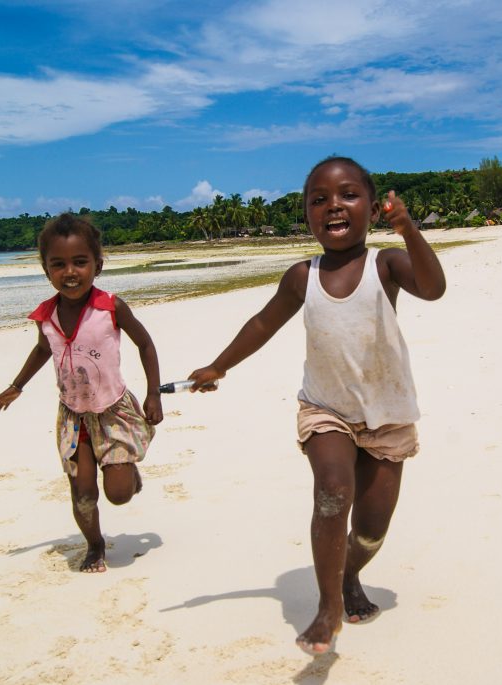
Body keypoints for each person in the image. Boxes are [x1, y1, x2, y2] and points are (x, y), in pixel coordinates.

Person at [188, 156, 446, 655]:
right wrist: (219, 366)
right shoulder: (301, 277)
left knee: (371, 529)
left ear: (373, 208)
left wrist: (409, 229)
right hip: (325, 410)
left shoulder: (386, 264)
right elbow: (263, 324)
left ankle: (349, 576)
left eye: (348, 194)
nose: (333, 205)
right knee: (332, 491)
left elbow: (433, 289)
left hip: (388, 416)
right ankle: (328, 608)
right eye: (318, 199)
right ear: (306, 214)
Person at [0, 213, 163, 573]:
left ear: (97, 266)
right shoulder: (47, 316)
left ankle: (129, 473)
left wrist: (153, 395)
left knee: (118, 493)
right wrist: (16, 386)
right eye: (58, 264)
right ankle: (95, 545)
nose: (70, 272)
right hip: (73, 415)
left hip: (113, 410)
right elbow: (43, 350)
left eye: (80, 262)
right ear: (46, 270)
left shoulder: (110, 307)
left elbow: (145, 343)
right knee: (83, 492)